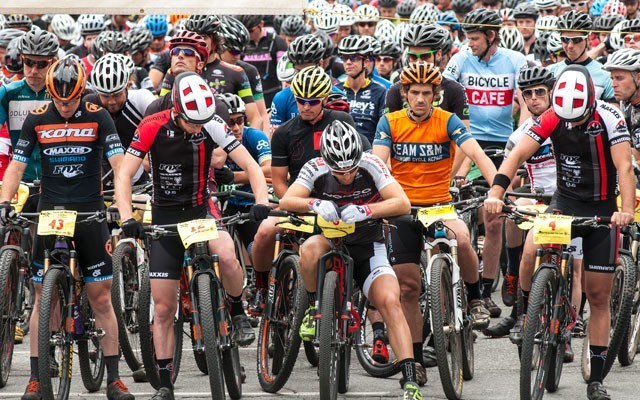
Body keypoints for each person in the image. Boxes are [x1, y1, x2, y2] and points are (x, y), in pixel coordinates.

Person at [115, 72, 271, 400]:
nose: (198, 128)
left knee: (228, 256)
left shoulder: (210, 122)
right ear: (175, 109)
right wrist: (128, 217)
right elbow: (125, 174)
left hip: (202, 210)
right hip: (166, 216)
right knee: (163, 306)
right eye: (191, 122)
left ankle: (238, 309)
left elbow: (253, 167)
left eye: (202, 122)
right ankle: (166, 383)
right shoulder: (152, 125)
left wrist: (261, 202)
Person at [484, 65, 635, 400]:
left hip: (601, 208)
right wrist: (496, 192)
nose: (574, 124)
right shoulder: (553, 115)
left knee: (598, 296)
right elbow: (518, 153)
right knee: (531, 249)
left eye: (579, 119)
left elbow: (624, 167)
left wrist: (625, 211)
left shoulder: (611, 118)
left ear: (591, 103)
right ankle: (530, 310)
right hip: (564, 203)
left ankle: (596, 378)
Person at [0, 57, 133, 400]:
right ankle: (34, 376)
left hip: (89, 210)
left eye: (70, 100)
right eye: (59, 100)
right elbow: (16, 165)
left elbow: (120, 165)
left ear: (81, 91)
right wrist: (4, 200)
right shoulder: (37, 118)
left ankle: (114, 380)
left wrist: (121, 203)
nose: (64, 106)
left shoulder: (98, 114)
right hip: (51, 211)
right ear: (49, 92)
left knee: (101, 297)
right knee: (43, 298)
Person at [280, 120, 422, 400]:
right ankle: (312, 306)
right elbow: (287, 200)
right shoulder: (315, 167)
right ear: (327, 161)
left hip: (368, 245)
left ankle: (410, 380)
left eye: (351, 169)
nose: (346, 176)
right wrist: (314, 203)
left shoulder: (371, 164)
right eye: (339, 171)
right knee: (308, 249)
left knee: (390, 302)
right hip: (330, 241)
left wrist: (368, 209)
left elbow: (402, 202)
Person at [372, 62, 495, 384]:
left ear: (436, 95)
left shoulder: (447, 120)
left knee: (463, 239)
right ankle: (414, 359)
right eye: (415, 93)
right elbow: (376, 164)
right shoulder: (391, 121)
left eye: (427, 93)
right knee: (408, 288)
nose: (421, 99)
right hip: (402, 208)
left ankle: (475, 295)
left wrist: (497, 189)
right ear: (404, 94)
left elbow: (477, 154)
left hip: (439, 205)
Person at [250, 66, 369, 315]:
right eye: (301, 101)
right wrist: (292, 203)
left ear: (325, 99)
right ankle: (261, 286)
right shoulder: (284, 133)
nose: (306, 106)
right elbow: (280, 180)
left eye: (313, 101)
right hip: (301, 201)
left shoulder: (341, 120)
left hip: (340, 199)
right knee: (263, 233)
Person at [444, 8, 529, 317]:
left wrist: (520, 140)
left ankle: (490, 284)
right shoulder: (460, 59)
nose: (471, 44)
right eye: (468, 38)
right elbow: (444, 94)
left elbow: (526, 103)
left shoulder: (515, 61)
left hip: (502, 142)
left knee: (494, 219)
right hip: (465, 140)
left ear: (492, 36)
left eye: (476, 38)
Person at [481, 66, 559, 339]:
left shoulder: (566, 123)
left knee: (573, 266)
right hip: (539, 195)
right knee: (513, 211)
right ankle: (514, 287)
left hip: (568, 197)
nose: (535, 98)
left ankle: (566, 326)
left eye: (540, 92)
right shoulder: (520, 134)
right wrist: (498, 198)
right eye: (528, 94)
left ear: (552, 92)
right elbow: (510, 173)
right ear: (522, 99)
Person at [215, 93, 272, 316]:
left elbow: (267, 168)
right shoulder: (214, 138)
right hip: (223, 203)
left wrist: (235, 176)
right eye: (230, 122)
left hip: (248, 201)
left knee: (256, 246)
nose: (236, 127)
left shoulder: (255, 136)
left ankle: (260, 287)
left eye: (240, 120)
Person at [184, 15, 263, 129]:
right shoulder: (175, 72)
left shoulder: (236, 72)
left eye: (203, 37)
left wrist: (244, 145)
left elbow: (255, 118)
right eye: (193, 37)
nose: (197, 42)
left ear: (215, 41)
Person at [546, 11, 615, 102]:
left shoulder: (605, 74)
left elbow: (613, 111)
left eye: (576, 40)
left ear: (588, 39)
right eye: (565, 39)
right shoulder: (549, 71)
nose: (570, 45)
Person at [219, 16, 271, 134]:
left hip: (240, 133)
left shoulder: (249, 71)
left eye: (241, 51)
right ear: (220, 46)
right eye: (234, 52)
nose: (237, 56)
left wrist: (263, 144)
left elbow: (261, 115)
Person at [336, 35, 387, 144]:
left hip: (369, 150)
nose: (348, 62)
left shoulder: (380, 92)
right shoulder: (336, 91)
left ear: (366, 61)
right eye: (345, 58)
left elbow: (384, 131)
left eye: (354, 57)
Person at [240, 15, 288, 108]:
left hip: (272, 94)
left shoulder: (277, 42)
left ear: (261, 24)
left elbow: (284, 71)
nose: (248, 35)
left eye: (251, 31)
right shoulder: (243, 44)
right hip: (250, 95)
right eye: (246, 31)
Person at [603, 48, 640, 164]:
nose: (613, 85)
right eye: (612, 79)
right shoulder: (625, 102)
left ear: (638, 78)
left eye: (619, 78)